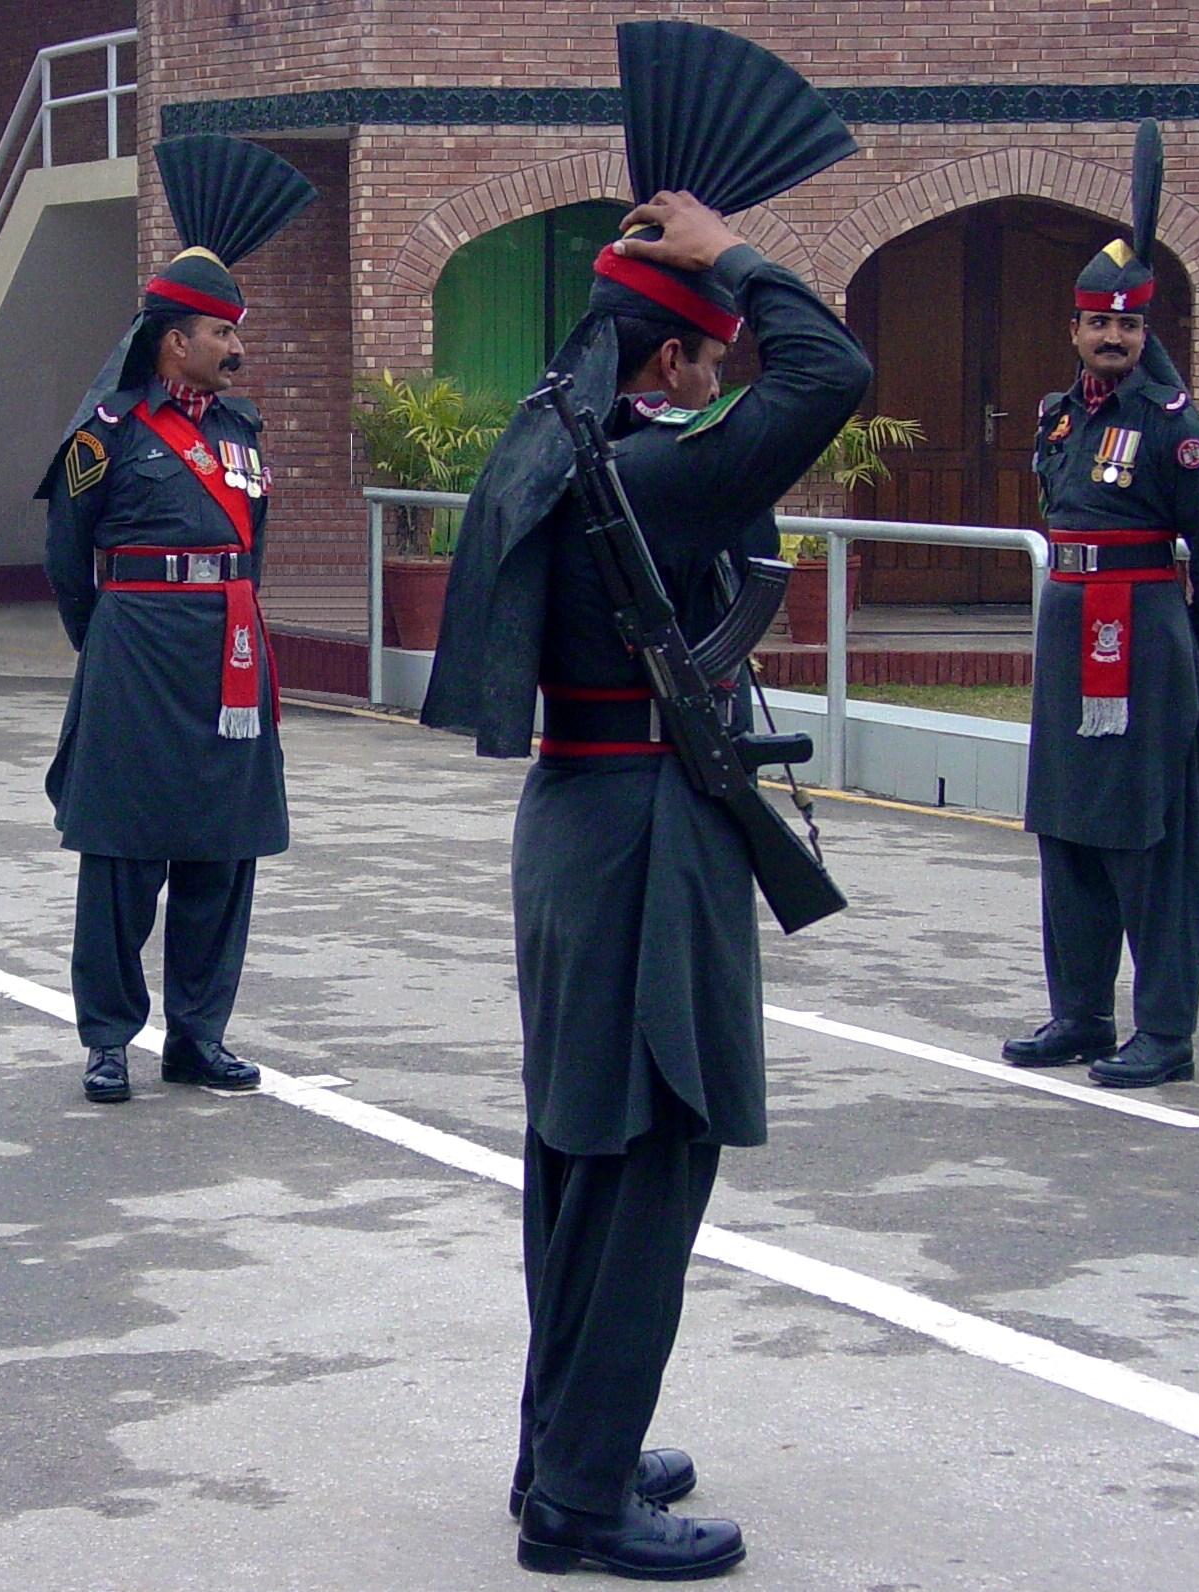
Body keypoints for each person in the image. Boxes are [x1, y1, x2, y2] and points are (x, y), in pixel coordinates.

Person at [422, 23, 867, 1577]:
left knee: (583, 1151)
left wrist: (686, 270)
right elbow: (834, 369)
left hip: (580, 818)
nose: (723, 377)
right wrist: (735, 247)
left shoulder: (557, 439)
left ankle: (570, 1441)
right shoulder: (655, 475)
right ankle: (579, 1500)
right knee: (652, 1148)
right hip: (644, 838)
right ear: (674, 353)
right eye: (708, 355)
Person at [39, 134, 313, 1106]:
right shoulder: (104, 434)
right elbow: (69, 562)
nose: (237, 348)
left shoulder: (241, 432)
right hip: (135, 656)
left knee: (221, 852)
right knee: (120, 854)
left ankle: (198, 1034)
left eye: (236, 333)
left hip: (228, 660)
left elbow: (255, 548)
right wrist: (111, 644)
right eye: (221, 333)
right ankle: (108, 1038)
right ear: (173, 340)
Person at [1003, 121, 1199, 1090]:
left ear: (1147, 333)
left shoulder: (1172, 429)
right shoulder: (1056, 415)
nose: (1111, 336)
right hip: (1068, 642)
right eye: (1097, 323)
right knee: (1065, 826)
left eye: (1128, 325)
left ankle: (1163, 1032)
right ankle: (1079, 1012)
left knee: (1150, 840)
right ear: (1072, 328)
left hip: (1141, 640)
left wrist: (1187, 641)